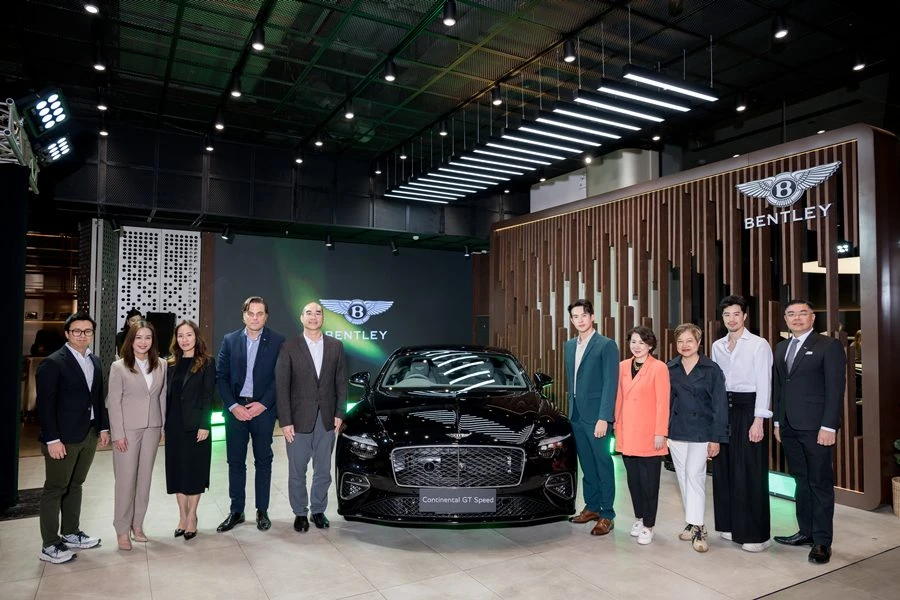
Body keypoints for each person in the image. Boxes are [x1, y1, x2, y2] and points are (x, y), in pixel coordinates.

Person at [773, 300, 846, 565]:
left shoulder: (828, 345)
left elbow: (835, 389)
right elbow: (779, 388)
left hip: (817, 428)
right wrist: (778, 422)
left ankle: (822, 541)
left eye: (802, 313)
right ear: (785, 319)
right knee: (801, 482)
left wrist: (829, 426)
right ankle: (805, 532)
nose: (797, 318)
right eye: (791, 314)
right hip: (789, 427)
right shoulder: (781, 347)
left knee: (819, 483)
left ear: (812, 317)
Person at [35, 312, 110, 564]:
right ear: (67, 334)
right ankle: (49, 544)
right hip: (63, 438)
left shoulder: (95, 361)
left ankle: (70, 532)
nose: (82, 335)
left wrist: (102, 427)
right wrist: (52, 439)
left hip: (88, 433)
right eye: (76, 331)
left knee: (76, 484)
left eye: (87, 331)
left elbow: (97, 398)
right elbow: (45, 405)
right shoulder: (53, 363)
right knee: (55, 488)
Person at [275, 301, 347, 532]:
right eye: (309, 313)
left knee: (323, 470)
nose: (313, 317)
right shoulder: (289, 347)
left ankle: (318, 510)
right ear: (301, 317)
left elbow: (341, 383)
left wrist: (340, 413)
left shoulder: (336, 346)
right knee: (297, 471)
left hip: (327, 419)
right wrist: (285, 421)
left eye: (318, 313)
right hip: (297, 420)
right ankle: (300, 513)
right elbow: (282, 387)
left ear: (322, 318)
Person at [216, 296, 285, 532]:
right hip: (235, 410)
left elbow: (279, 377)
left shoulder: (278, 341)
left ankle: (262, 511)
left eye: (259, 313)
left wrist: (263, 404)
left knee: (263, 461)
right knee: (235, 461)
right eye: (250, 313)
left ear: (266, 316)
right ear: (244, 315)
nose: (255, 318)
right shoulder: (230, 340)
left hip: (263, 411)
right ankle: (236, 511)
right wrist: (233, 406)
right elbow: (221, 377)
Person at [710, 295, 774, 552]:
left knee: (749, 472)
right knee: (724, 469)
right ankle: (729, 525)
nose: (731, 319)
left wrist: (759, 420)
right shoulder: (717, 346)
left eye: (736, 314)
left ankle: (756, 536)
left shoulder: (759, 344)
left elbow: (765, 383)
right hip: (724, 409)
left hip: (749, 411)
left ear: (745, 316)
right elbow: (716, 384)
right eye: (727, 315)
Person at [107, 319, 167, 551]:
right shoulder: (119, 367)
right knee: (125, 481)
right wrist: (118, 434)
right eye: (139, 337)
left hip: (152, 428)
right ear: (131, 340)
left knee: (144, 480)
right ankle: (122, 529)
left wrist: (162, 426)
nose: (143, 342)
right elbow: (113, 402)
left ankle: (137, 525)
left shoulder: (161, 364)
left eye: (148, 337)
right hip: (127, 431)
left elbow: (161, 397)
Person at [667, 323, 728, 553]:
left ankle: (699, 527)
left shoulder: (711, 369)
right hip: (677, 431)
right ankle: (692, 522)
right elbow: (665, 402)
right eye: (680, 341)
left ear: (699, 343)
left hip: (703, 431)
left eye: (689, 341)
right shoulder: (670, 368)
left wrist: (717, 438)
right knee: (683, 477)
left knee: (694, 475)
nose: (685, 345)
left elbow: (720, 406)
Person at [564, 299, 619, 536]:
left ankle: (607, 514)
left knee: (603, 464)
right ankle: (592, 507)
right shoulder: (569, 346)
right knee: (586, 464)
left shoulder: (606, 345)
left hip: (597, 417)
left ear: (592, 317)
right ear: (572, 320)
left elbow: (610, 383)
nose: (580, 320)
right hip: (576, 415)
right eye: (575, 316)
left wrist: (604, 417)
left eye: (584, 315)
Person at [614, 326, 670, 545]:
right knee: (634, 481)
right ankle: (639, 518)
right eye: (633, 342)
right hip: (627, 431)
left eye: (641, 342)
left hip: (649, 434)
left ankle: (649, 524)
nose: (637, 346)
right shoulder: (622, 366)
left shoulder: (659, 368)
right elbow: (618, 398)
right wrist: (616, 425)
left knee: (649, 483)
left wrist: (660, 432)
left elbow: (663, 403)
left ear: (650, 345)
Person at [165, 320, 215, 541]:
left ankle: (192, 516)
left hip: (197, 427)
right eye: (180, 335)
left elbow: (208, 395)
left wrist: (205, 424)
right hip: (174, 425)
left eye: (189, 335)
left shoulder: (207, 362)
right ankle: (182, 516)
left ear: (196, 337)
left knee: (194, 472)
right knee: (177, 471)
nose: (185, 339)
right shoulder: (169, 364)